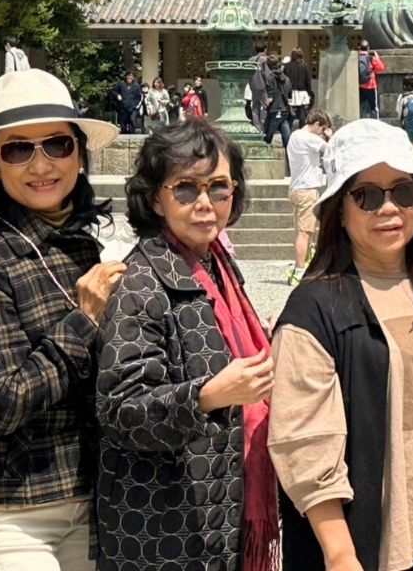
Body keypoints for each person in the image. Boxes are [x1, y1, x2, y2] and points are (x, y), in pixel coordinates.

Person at [269, 119, 413, 570]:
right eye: (367, 196)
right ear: (339, 208)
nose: (388, 208)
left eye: (403, 192)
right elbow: (304, 441)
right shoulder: (315, 306)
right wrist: (339, 553)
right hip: (374, 541)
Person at [0, 69, 129, 571]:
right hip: (4, 502)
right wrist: (84, 319)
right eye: (18, 149)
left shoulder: (91, 244)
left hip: (90, 490)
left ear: (80, 154)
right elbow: (2, 401)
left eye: (57, 145)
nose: (41, 164)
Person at [96, 120, 278, 571]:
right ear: (156, 196)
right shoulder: (141, 282)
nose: (204, 204)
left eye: (218, 188)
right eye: (185, 189)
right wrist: (208, 397)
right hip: (164, 529)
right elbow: (121, 410)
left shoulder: (217, 266)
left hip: (217, 511)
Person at [287, 111, 333, 286]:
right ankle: (299, 270)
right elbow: (330, 149)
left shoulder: (294, 136)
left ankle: (304, 264)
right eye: (322, 129)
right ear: (316, 124)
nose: (322, 133)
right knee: (305, 233)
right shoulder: (309, 137)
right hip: (307, 190)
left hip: (296, 187)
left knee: (301, 231)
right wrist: (330, 136)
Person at [284, 50, 315, 130]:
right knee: (302, 111)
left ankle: (288, 129)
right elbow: (308, 80)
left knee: (288, 112)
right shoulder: (304, 66)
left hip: (290, 91)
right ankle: (302, 129)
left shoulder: (287, 66)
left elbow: (285, 79)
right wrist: (310, 92)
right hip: (302, 91)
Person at [357, 39, 384, 120]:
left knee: (360, 106)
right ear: (368, 48)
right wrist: (377, 57)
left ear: (359, 48)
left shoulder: (356, 58)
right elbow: (381, 68)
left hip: (360, 86)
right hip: (371, 86)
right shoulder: (371, 58)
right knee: (373, 107)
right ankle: (376, 123)